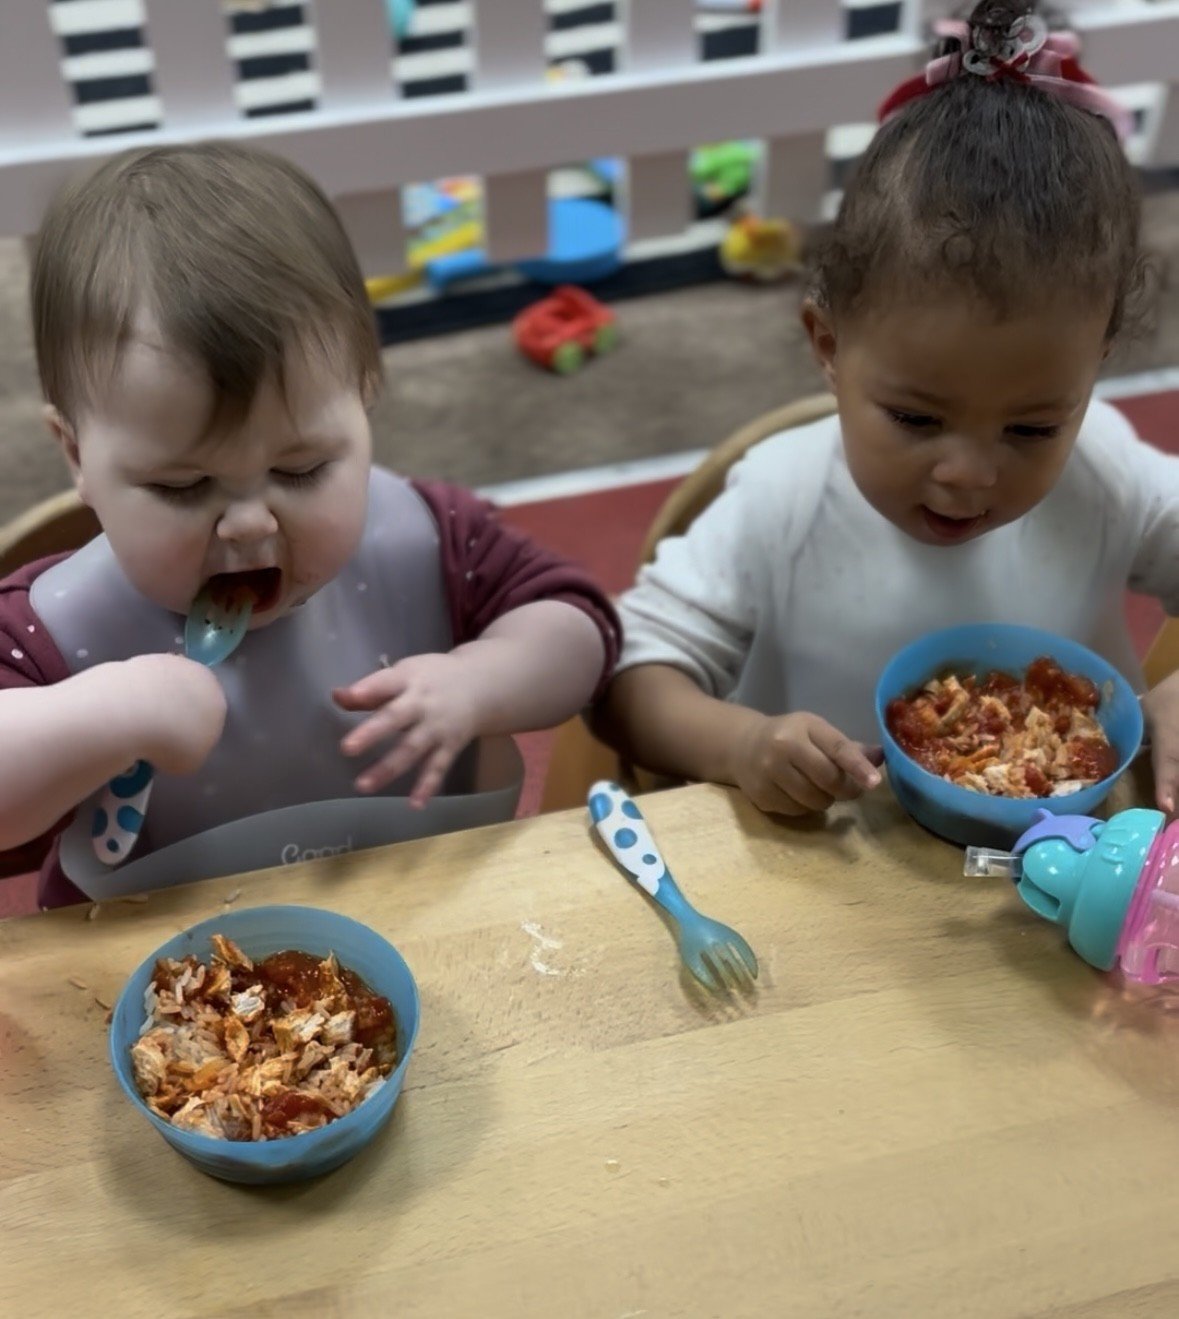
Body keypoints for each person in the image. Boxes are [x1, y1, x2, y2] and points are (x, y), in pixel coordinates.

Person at [594, 2, 1179, 820]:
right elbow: (628, 683)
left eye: (1032, 428)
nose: (968, 472)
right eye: (914, 418)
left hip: (1059, 888)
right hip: (825, 887)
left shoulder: (1105, 475)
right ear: (827, 344)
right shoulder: (781, 499)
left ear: (1096, 368)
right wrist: (738, 745)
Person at [0, 141, 619, 907]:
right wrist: (108, 713)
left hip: (435, 923)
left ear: (363, 400)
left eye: (301, 470)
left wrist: (479, 681)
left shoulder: (423, 540)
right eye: (181, 485)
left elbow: (581, 630)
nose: (250, 524)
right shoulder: (56, 630)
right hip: (157, 990)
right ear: (75, 455)